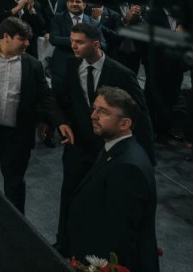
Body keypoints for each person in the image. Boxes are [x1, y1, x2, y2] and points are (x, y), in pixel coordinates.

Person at [54, 22, 155, 255]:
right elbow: (62, 100)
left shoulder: (121, 73)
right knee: (69, 195)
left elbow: (141, 114)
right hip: (76, 146)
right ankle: (63, 243)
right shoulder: (71, 65)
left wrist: (147, 159)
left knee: (101, 204)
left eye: (79, 42)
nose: (73, 46)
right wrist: (60, 123)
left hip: (107, 151)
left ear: (96, 44)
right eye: (71, 41)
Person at [0, 17, 62, 214]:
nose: (28, 44)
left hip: (17, 134)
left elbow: (46, 97)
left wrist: (59, 123)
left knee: (14, 185)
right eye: (22, 39)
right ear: (6, 37)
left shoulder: (33, 65)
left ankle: (15, 228)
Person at [66, 88, 159, 272]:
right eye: (94, 108)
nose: (93, 115)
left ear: (125, 123)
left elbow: (120, 236)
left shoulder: (128, 168)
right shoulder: (115, 149)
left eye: (103, 112)